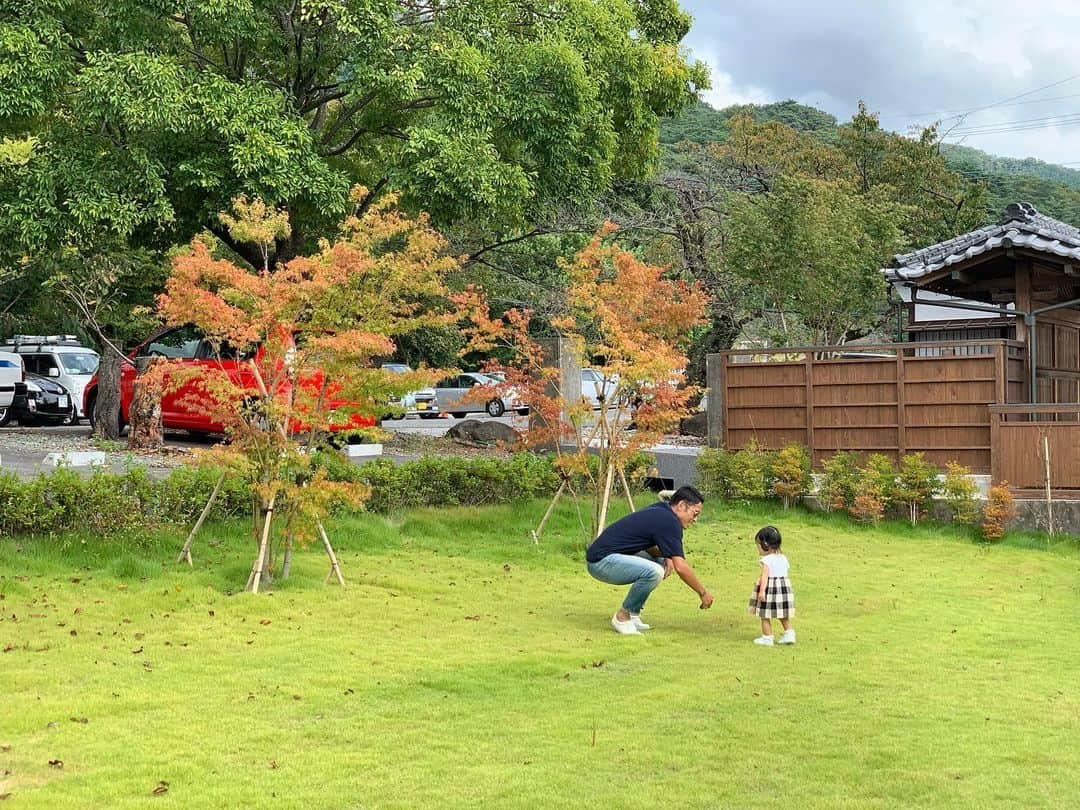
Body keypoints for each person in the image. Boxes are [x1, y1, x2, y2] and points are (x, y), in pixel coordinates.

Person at [585, 485, 714, 635]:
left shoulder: (662, 510)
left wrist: (667, 555)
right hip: (600, 562)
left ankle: (633, 613)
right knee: (654, 571)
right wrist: (703, 593)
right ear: (681, 505)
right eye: (695, 513)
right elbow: (681, 567)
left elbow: (643, 541)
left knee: (659, 563)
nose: (695, 519)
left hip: (608, 556)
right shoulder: (669, 522)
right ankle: (622, 617)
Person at [747, 525, 795, 646]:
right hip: (783, 590)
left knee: (764, 614)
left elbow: (765, 576)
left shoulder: (766, 560)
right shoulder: (783, 558)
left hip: (770, 589)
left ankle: (767, 638)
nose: (757, 549)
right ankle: (789, 634)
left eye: (758, 545)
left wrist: (762, 591)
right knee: (782, 614)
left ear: (765, 545)